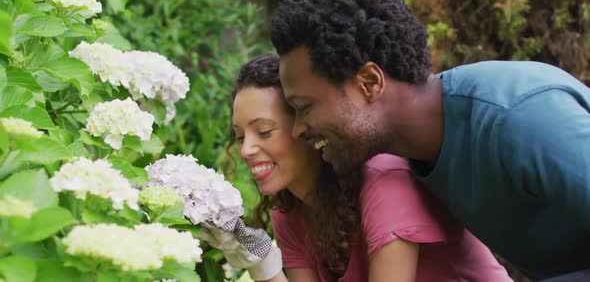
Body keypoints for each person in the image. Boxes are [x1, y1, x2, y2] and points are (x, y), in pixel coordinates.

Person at [270, 0, 590, 281]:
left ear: (369, 83)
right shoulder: (416, 156)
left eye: (304, 106)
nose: (298, 129)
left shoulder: (519, 116)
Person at [197, 54, 511, 281]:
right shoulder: (290, 215)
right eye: (239, 136)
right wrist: (260, 260)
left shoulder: (385, 183)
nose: (246, 149)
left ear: (306, 126)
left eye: (264, 131)